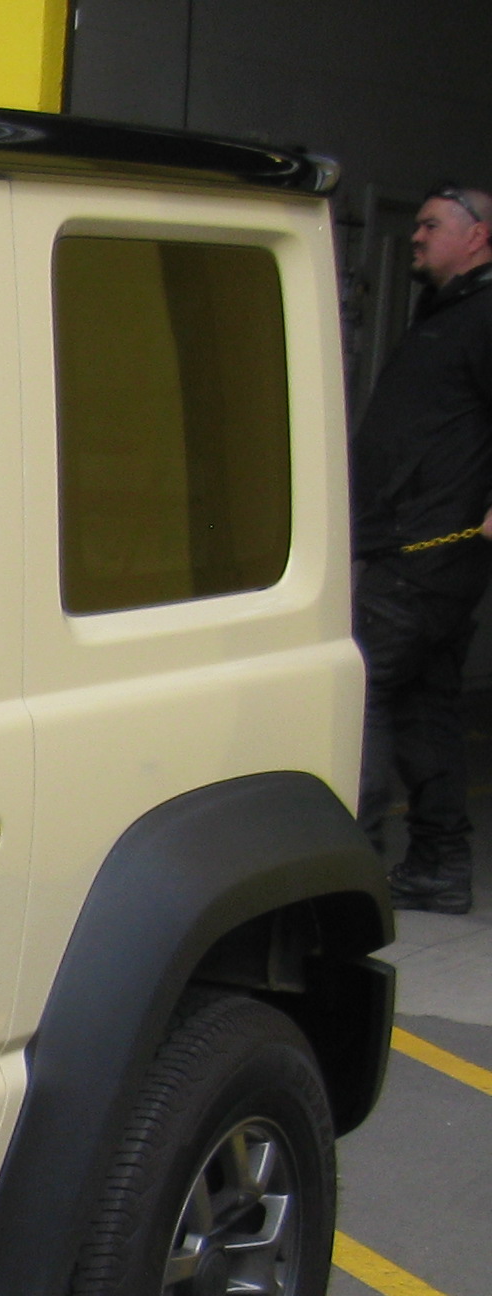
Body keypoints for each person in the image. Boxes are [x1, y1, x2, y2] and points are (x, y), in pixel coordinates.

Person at [353, 183, 492, 915]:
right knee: (426, 703)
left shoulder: (481, 318)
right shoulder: (446, 315)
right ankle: (440, 863)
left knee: (362, 686)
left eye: (432, 225)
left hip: (427, 550)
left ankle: (356, 858)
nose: (416, 236)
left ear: (478, 236)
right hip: (420, 549)